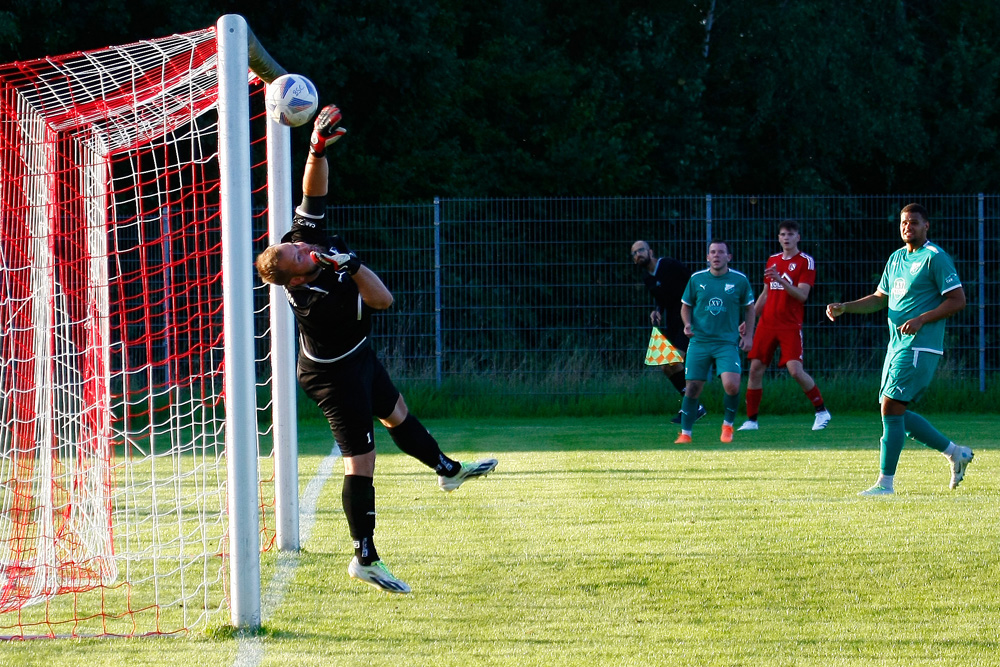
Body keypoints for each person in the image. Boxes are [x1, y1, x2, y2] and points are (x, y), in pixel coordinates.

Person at [255, 104, 498, 593]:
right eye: (296, 254)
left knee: (398, 414)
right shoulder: (314, 295)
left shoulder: (307, 245)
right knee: (361, 463)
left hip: (357, 357)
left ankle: (447, 470)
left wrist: (316, 148)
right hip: (333, 376)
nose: (302, 247)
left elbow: (312, 191)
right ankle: (364, 556)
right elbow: (384, 300)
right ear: (295, 277)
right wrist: (353, 264)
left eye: (296, 246)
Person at [826, 203, 972, 496]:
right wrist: (845, 308)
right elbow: (880, 298)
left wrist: (921, 319)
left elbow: (958, 300)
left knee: (891, 408)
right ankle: (955, 452)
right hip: (896, 346)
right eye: (905, 222)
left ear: (926, 226)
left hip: (921, 345)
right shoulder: (895, 259)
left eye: (915, 222)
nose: (908, 227)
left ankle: (885, 484)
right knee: (894, 413)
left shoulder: (935, 258)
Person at [738, 221, 831, 432]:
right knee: (755, 369)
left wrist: (781, 279)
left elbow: (802, 295)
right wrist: (750, 319)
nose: (786, 238)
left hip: (789, 324)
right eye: (782, 234)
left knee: (795, 370)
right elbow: (765, 293)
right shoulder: (772, 260)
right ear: (778, 238)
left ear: (798, 237)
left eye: (790, 234)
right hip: (767, 323)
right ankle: (752, 420)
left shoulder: (805, 261)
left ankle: (821, 411)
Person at [674, 240, 755, 444]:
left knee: (732, 385)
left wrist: (748, 335)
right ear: (707, 257)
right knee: (692, 387)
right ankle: (686, 434)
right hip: (700, 342)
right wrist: (687, 324)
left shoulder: (739, 280)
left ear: (729, 257)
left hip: (726, 343)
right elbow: (685, 306)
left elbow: (749, 308)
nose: (716, 255)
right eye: (712, 252)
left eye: (721, 252)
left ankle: (727, 426)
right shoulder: (696, 279)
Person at [630, 240, 706, 425]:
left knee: (674, 359)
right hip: (672, 322)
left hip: (689, 318)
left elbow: (693, 281)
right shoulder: (647, 278)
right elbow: (662, 300)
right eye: (634, 253)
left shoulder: (669, 265)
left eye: (641, 250)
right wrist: (657, 311)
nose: (638, 254)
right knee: (666, 365)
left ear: (651, 251)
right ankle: (695, 406)